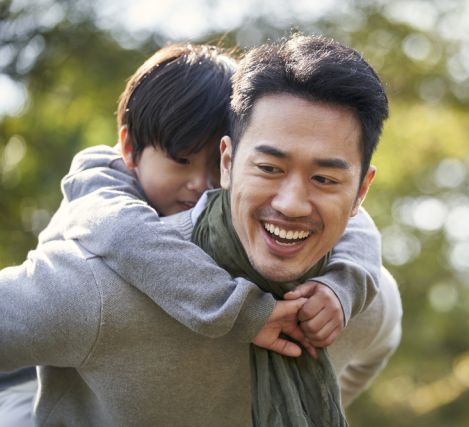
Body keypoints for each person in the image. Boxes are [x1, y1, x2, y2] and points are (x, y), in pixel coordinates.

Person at [0, 34, 401, 426]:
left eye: (325, 179)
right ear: (234, 161)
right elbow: (124, 234)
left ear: (360, 192)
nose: (292, 204)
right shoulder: (101, 266)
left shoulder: (364, 299)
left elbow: (362, 242)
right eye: (269, 168)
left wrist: (304, 401)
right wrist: (243, 311)